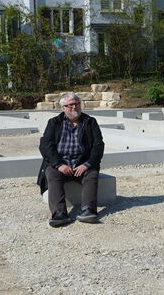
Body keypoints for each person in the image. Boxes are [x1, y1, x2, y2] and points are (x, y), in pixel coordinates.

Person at [37, 92, 105, 227]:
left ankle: (88, 210)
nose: (75, 107)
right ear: (63, 107)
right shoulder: (54, 123)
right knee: (52, 173)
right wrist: (58, 164)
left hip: (82, 163)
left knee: (92, 174)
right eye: (71, 105)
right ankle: (59, 213)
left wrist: (87, 164)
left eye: (77, 104)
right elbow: (46, 146)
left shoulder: (90, 122)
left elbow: (98, 146)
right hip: (60, 163)